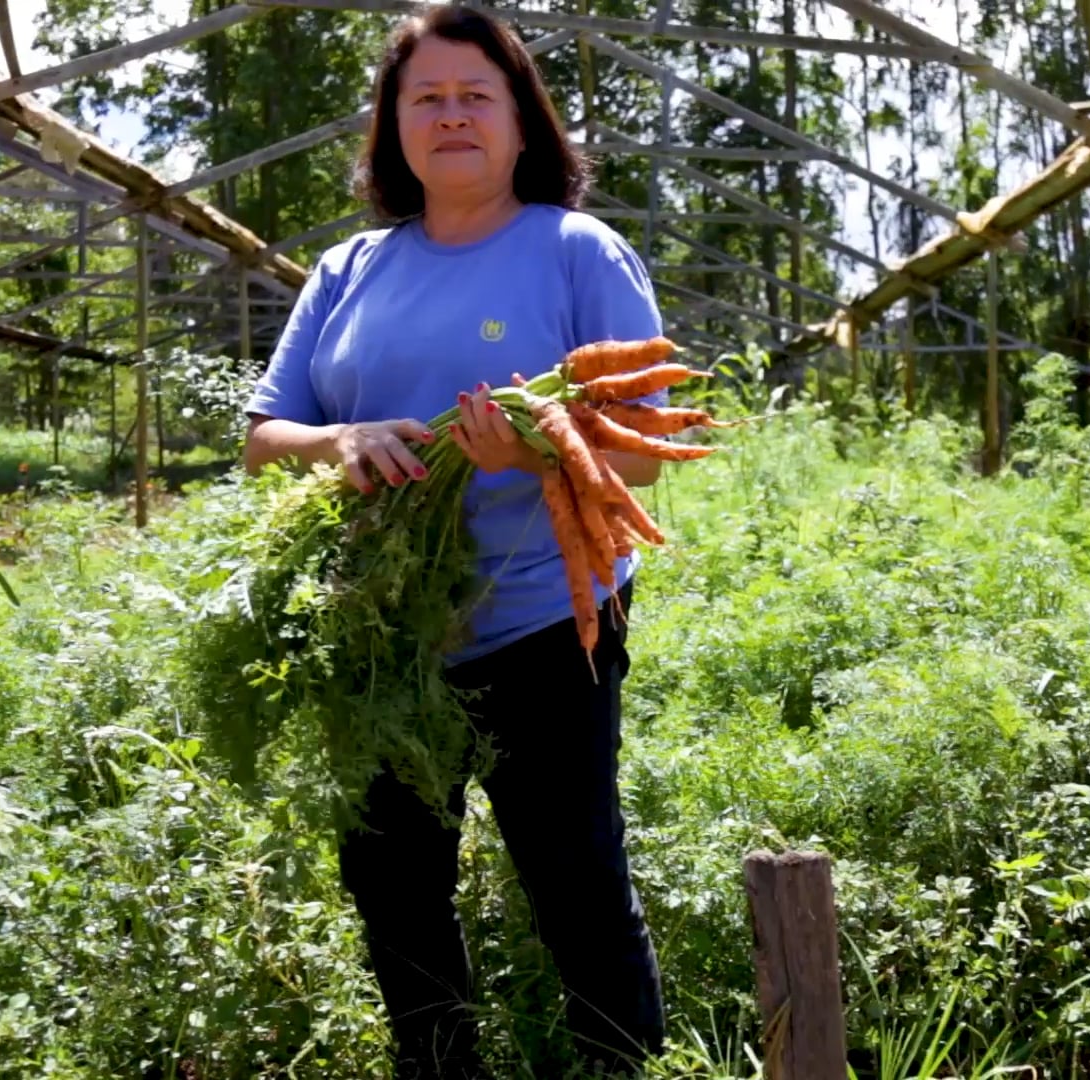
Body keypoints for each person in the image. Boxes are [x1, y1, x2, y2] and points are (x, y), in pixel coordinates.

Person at [238, 5, 667, 1077]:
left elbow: (649, 452)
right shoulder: (347, 270)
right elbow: (260, 438)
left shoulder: (574, 249)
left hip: (543, 623)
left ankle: (622, 1065)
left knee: (576, 891)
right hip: (376, 638)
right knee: (398, 902)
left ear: (524, 121)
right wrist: (339, 440)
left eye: (478, 92)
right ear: (392, 129)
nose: (452, 114)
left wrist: (533, 456)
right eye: (424, 97)